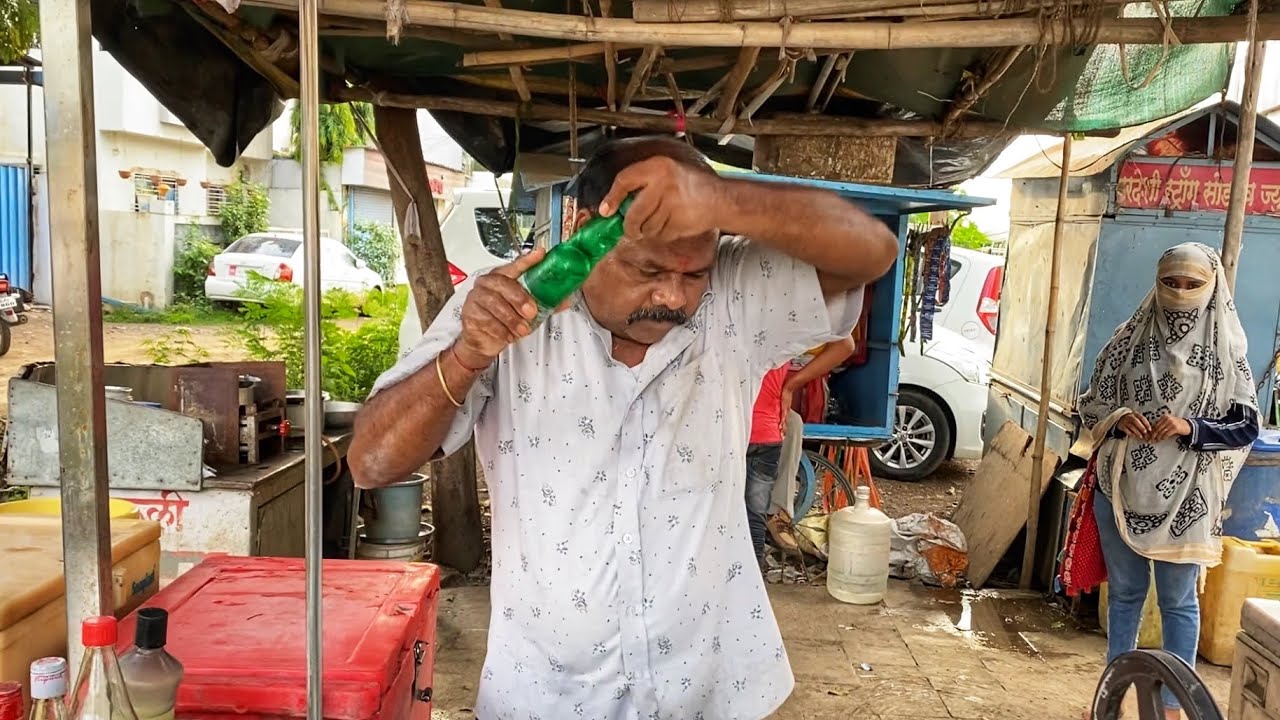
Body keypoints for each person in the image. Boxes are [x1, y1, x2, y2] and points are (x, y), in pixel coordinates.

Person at [348, 136, 898, 720]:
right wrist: (465, 356)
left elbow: (873, 251)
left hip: (709, 690)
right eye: (648, 268)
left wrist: (723, 199)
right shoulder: (506, 307)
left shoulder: (735, 298)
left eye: (694, 275)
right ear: (586, 229)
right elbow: (371, 463)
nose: (672, 296)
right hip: (546, 697)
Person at [1077, 242, 1258, 719]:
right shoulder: (1127, 339)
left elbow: (1246, 424)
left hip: (1188, 499)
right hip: (1120, 489)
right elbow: (1088, 403)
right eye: (1170, 283)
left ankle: (1173, 707)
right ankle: (1112, 699)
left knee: (1178, 602)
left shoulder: (1227, 347)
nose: (1179, 293)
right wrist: (1118, 418)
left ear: (1212, 287)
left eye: (1192, 284)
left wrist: (1190, 428)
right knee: (1125, 596)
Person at [746, 339, 855, 569]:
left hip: (763, 419)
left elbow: (845, 344)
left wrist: (791, 386)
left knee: (791, 424)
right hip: (730, 412)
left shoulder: (785, 315)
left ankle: (778, 512)